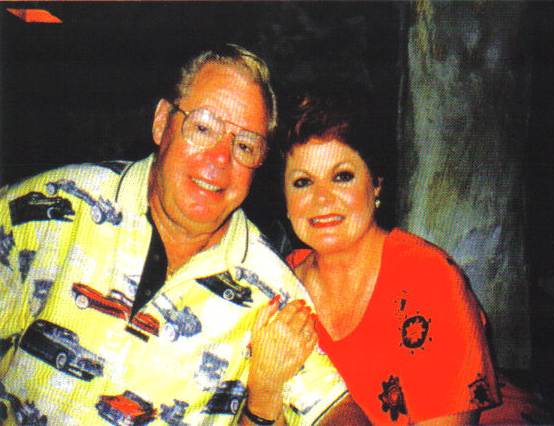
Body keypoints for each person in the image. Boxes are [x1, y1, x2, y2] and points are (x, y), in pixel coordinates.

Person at [0, 44, 355, 425]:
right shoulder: (52, 207)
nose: (220, 159)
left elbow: (335, 411)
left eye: (244, 145)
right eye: (203, 128)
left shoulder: (270, 293)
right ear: (161, 122)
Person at [272, 90, 502, 424]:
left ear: (376, 183)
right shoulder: (275, 283)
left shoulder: (429, 280)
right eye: (303, 182)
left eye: (342, 176)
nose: (322, 199)